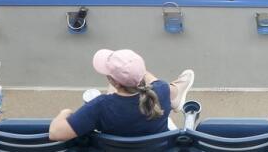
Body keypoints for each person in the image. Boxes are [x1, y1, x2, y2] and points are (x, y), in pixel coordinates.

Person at [49, 49, 195, 143]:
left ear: (113, 82)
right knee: (168, 90)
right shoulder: (161, 90)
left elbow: (55, 133)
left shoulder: (99, 106)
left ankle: (176, 96)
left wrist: (65, 112)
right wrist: (133, 69)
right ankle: (176, 95)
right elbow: (150, 80)